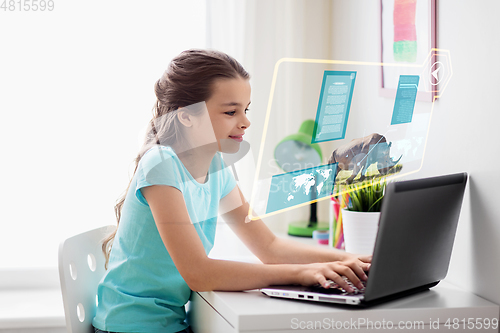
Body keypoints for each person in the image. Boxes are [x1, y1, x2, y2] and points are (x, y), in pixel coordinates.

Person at [92, 49, 371, 333]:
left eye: (246, 109)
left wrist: (350, 260)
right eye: (230, 111)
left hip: (170, 324)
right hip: (129, 326)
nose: (245, 121)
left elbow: (269, 247)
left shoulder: (216, 166)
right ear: (186, 116)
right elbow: (199, 273)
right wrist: (302, 273)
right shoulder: (161, 165)